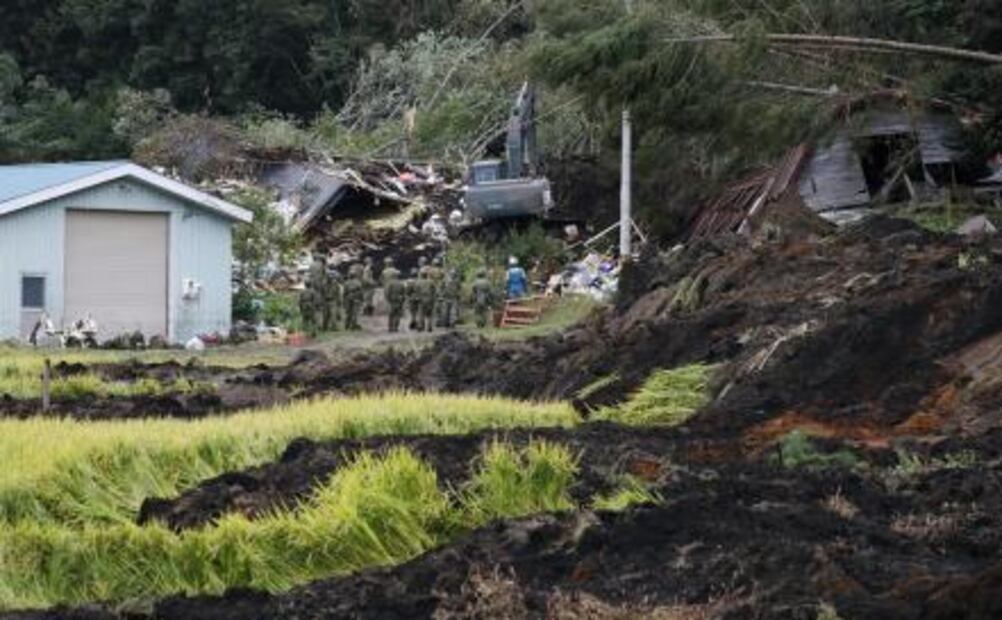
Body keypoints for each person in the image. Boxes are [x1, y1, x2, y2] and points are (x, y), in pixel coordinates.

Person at [383, 259, 406, 333]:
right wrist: (403, 300)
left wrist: (387, 299)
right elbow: (403, 292)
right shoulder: (401, 283)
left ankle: (390, 327)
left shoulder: (389, 281)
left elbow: (387, 292)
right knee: (397, 314)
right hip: (399, 300)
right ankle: (396, 327)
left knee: (391, 314)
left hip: (392, 299)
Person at [342, 264, 364, 331]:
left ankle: (347, 325)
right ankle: (353, 326)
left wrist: (344, 300)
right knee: (354, 313)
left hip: (348, 298)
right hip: (355, 298)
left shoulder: (346, 283)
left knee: (348, 313)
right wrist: (361, 299)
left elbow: (344, 293)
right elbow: (360, 292)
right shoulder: (358, 282)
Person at [324, 267, 343, 332]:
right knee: (326, 315)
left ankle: (334, 327)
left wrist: (339, 301)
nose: (330, 278)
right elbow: (322, 292)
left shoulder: (336, 285)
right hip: (326, 300)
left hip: (333, 300)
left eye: (331, 277)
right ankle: (325, 327)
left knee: (333, 315)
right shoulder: (324, 284)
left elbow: (338, 294)